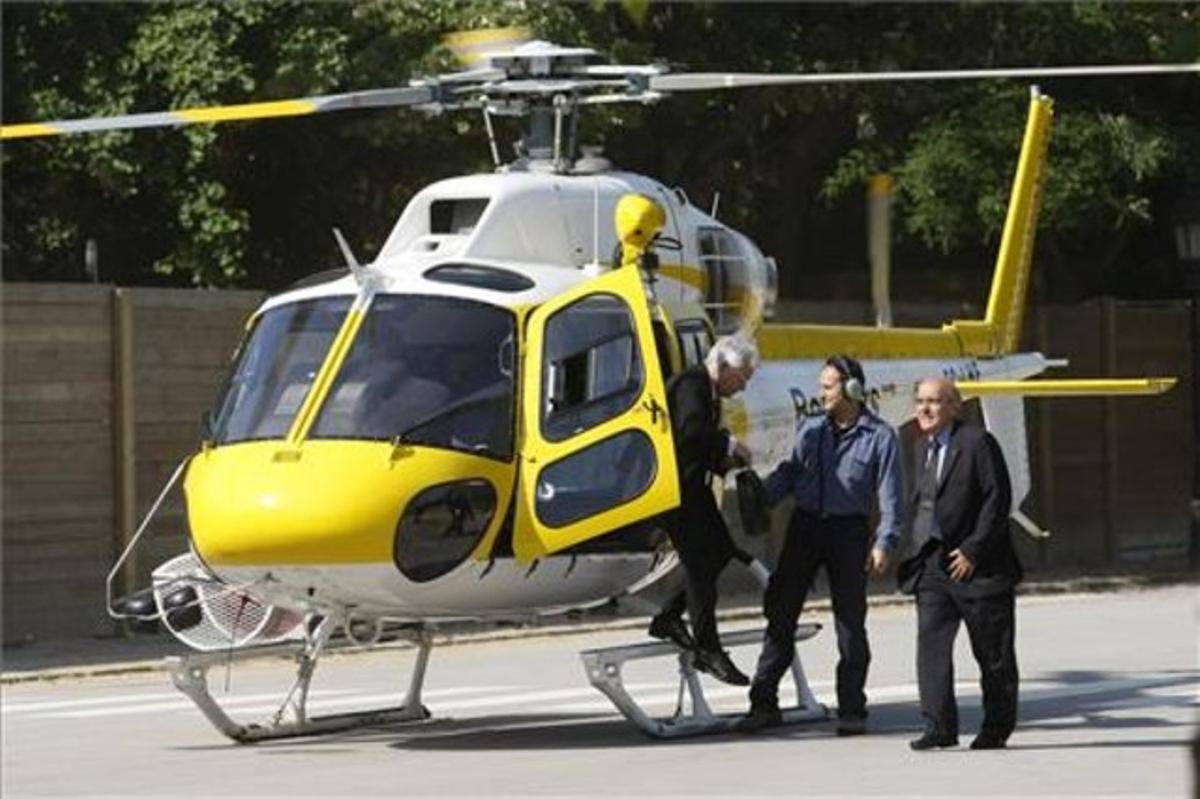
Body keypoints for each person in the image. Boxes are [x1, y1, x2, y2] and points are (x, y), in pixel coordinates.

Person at [738, 354, 903, 735]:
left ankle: (852, 709)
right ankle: (763, 704)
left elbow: (891, 497)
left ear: (852, 389)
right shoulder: (811, 430)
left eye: (828, 386)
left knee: (850, 622)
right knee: (781, 611)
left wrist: (884, 542)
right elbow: (791, 474)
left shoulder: (881, 437)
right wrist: (761, 494)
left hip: (849, 533)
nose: (821, 392)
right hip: (805, 527)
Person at [900, 377, 1021, 751]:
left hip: (978, 565)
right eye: (920, 401)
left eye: (934, 401)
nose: (925, 408)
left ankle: (995, 728)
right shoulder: (920, 447)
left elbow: (997, 499)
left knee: (992, 652)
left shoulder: (977, 443)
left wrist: (973, 549)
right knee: (931, 648)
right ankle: (938, 727)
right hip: (934, 564)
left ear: (955, 406)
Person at [647, 334, 758, 686]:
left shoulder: (709, 393)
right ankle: (707, 648)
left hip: (692, 490)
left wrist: (723, 460)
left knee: (721, 551)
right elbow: (691, 430)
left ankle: (669, 617)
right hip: (673, 492)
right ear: (723, 367)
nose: (740, 389)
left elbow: (694, 443)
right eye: (740, 380)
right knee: (700, 563)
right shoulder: (692, 384)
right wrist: (728, 441)